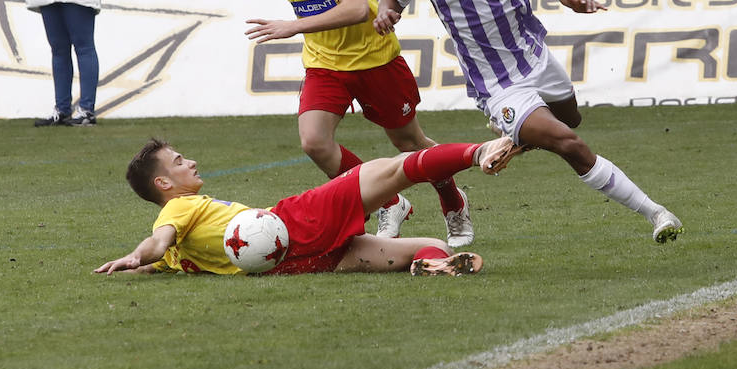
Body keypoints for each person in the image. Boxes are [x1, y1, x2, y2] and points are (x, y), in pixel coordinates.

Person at [374, 0, 683, 244]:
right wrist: (385, 13)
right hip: (496, 84)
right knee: (569, 143)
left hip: (535, 59)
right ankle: (656, 213)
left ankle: (514, 136)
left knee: (572, 118)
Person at [244, 0, 474, 247]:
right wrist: (303, 31)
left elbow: (356, 9)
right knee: (314, 142)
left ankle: (452, 200)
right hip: (325, 64)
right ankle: (389, 201)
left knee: (409, 142)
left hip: (373, 60)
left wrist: (294, 26)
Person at [94, 135, 522, 277]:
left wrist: (140, 268)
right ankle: (480, 151)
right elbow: (156, 242)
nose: (191, 162)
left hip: (293, 262)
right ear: (165, 183)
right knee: (390, 170)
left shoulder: (179, 249)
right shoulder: (178, 210)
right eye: (179, 161)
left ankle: (432, 268)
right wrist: (135, 256)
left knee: (431, 245)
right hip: (293, 222)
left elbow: (162, 257)